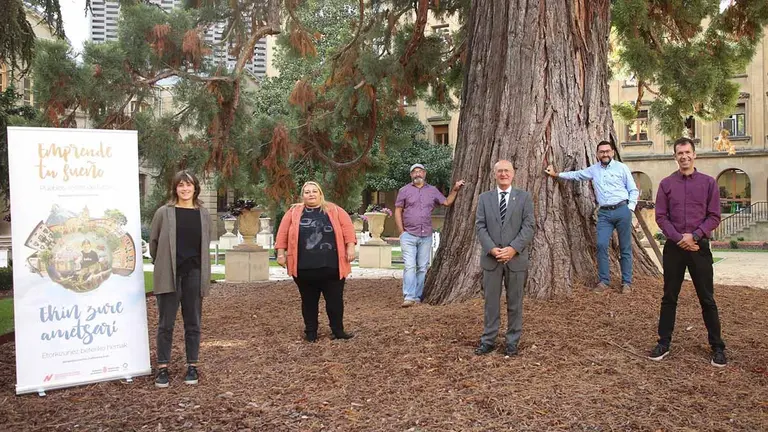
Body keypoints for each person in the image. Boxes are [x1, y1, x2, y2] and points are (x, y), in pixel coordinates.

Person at [648, 137, 726, 367]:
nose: (684, 156)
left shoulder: (708, 183)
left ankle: (718, 346)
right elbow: (661, 216)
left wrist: (695, 236)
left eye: (688, 152)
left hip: (699, 247)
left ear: (695, 155)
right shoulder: (666, 184)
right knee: (669, 297)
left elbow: (714, 216)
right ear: (675, 157)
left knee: (707, 298)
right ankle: (663, 343)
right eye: (680, 153)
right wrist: (679, 238)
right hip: (674, 247)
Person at [545, 140, 639, 293]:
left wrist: (630, 208)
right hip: (604, 214)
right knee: (601, 245)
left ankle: (626, 282)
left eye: (607, 151)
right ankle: (604, 281)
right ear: (597, 154)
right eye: (602, 152)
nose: (605, 154)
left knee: (625, 247)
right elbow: (577, 175)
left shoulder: (622, 168)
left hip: (622, 210)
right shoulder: (594, 170)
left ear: (613, 152)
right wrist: (557, 174)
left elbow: (633, 190)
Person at [149, 170, 212, 388]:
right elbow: (154, 243)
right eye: (181, 185)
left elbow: (205, 243)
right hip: (170, 274)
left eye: (189, 185)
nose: (185, 189)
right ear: (175, 188)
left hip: (194, 273)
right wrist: (164, 265)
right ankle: (163, 368)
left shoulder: (203, 213)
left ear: (195, 188)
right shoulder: (164, 213)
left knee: (193, 322)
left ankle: (192, 365)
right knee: (166, 323)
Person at [275, 181, 357, 342]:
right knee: (308, 301)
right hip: (304, 267)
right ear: (302, 195)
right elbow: (282, 233)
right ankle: (311, 332)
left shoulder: (334, 210)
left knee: (335, 301)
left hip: (332, 266)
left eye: (314, 191)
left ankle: (338, 331)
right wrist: (280, 254)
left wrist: (351, 248)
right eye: (307, 192)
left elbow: (348, 229)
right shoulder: (293, 212)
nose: (311, 194)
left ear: (320, 193)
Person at [474, 160, 535, 357]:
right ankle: (488, 340)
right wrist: (492, 249)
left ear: (513, 174)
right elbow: (480, 226)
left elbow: (529, 226)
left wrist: (513, 248)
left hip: (515, 259)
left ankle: (512, 342)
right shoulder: (484, 198)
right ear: (494, 174)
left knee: (515, 302)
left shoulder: (524, 197)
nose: (503, 174)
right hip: (492, 259)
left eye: (506, 171)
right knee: (491, 302)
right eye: (499, 171)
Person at [395, 163, 465, 307]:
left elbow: (446, 202)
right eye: (414, 172)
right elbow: (398, 210)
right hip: (408, 234)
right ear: (411, 175)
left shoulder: (432, 191)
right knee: (409, 266)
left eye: (420, 171)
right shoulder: (404, 190)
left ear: (425, 174)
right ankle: (409, 296)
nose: (417, 174)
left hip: (425, 235)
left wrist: (455, 189)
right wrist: (401, 232)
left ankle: (417, 297)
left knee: (422, 267)